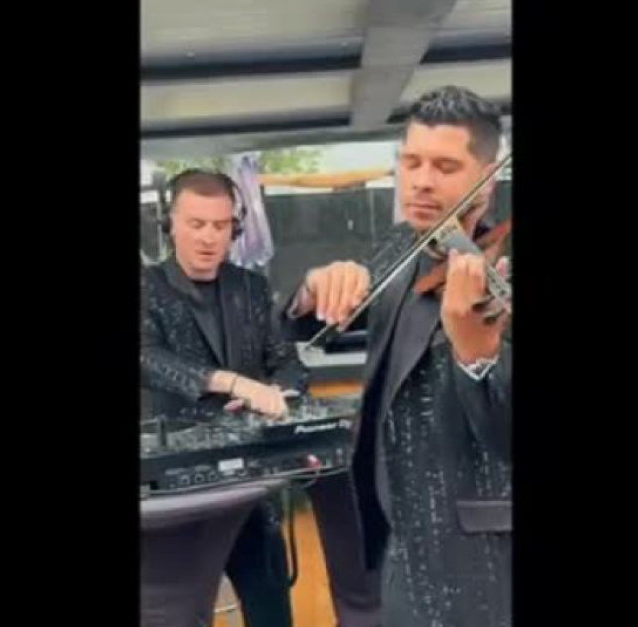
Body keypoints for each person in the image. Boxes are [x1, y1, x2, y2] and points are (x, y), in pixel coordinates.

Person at [282, 86, 513, 627]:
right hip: (396, 542)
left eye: (445, 166)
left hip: (480, 561)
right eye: (411, 162)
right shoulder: (397, 247)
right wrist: (315, 288)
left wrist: (477, 357)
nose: (421, 181)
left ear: (487, 176)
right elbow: (306, 323)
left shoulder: (500, 272)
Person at [139, 169, 302, 627]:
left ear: (236, 227)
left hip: (251, 485)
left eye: (220, 225)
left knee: (271, 612)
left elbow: (288, 363)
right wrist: (231, 382)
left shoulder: (251, 288)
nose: (209, 237)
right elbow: (147, 357)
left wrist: (277, 392)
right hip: (177, 492)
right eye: (196, 224)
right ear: (169, 224)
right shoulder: (146, 286)